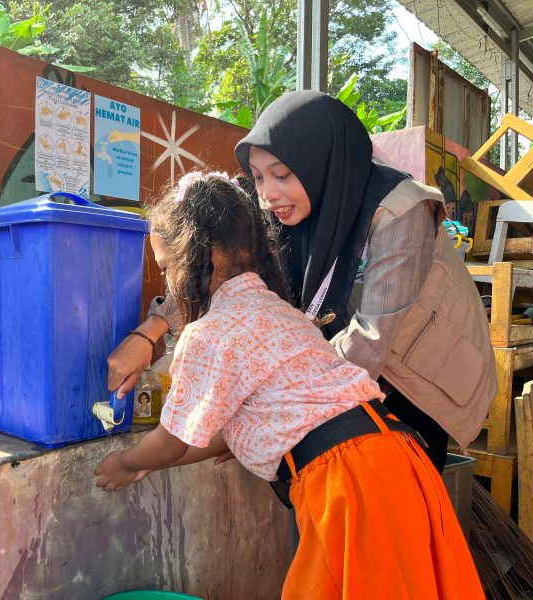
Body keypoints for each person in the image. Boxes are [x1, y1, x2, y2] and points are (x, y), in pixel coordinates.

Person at [95, 172, 483, 598]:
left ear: (196, 255)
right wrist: (160, 461)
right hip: (399, 456)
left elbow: (172, 439)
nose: (168, 282)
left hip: (349, 484)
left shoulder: (209, 333)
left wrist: (128, 462)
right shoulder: (279, 312)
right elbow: (215, 437)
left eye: (167, 267)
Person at [108, 91, 497, 473]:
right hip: (341, 387)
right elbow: (211, 257)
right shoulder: (283, 204)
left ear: (320, 162)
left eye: (282, 175)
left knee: (400, 498)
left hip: (416, 379)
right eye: (258, 177)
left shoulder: (400, 212)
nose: (267, 194)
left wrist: (270, 420)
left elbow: (370, 343)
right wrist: (149, 332)